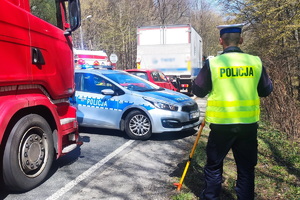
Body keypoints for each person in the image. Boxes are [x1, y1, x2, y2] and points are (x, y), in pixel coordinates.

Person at [193, 24, 273, 200]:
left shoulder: (213, 63)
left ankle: (211, 197)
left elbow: (198, 91)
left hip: (221, 126)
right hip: (248, 127)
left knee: (214, 166)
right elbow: (266, 91)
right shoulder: (255, 62)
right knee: (246, 169)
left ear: (221, 41)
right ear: (241, 40)